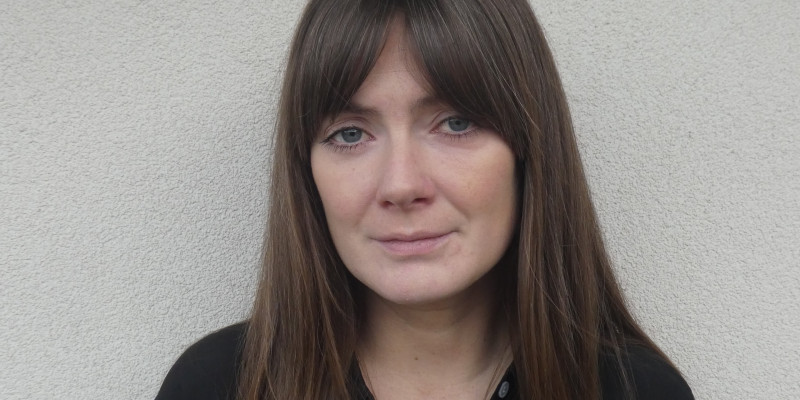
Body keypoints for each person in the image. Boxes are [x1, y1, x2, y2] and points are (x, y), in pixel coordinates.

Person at [156, 0, 694, 399]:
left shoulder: (636, 390)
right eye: (350, 133)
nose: (400, 185)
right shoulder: (217, 386)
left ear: (528, 151)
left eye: (455, 123)